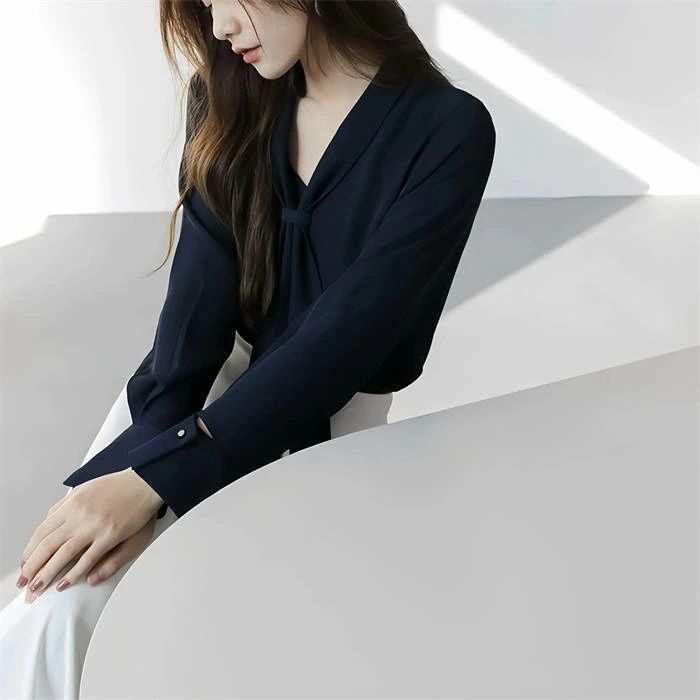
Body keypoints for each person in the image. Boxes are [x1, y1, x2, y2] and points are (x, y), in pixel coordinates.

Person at [0, 0, 496, 697]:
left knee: (198, 638)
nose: (218, 26)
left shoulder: (447, 130)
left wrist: (156, 483)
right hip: (193, 394)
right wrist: (143, 470)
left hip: (331, 426)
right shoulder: (225, 94)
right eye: (205, 5)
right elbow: (191, 326)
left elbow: (345, 340)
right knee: (58, 604)